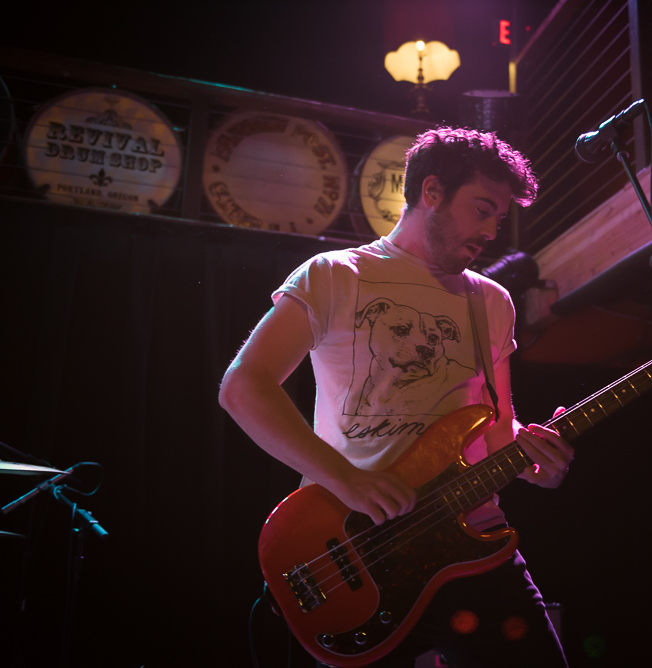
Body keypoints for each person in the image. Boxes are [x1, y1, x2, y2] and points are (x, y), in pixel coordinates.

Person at [219, 126, 573, 667]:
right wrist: (348, 480)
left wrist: (535, 462)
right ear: (431, 192)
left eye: (498, 218)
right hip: (362, 553)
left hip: (471, 542)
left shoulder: (492, 302)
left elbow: (498, 430)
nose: (490, 231)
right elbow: (243, 388)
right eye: (481, 210)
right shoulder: (335, 275)